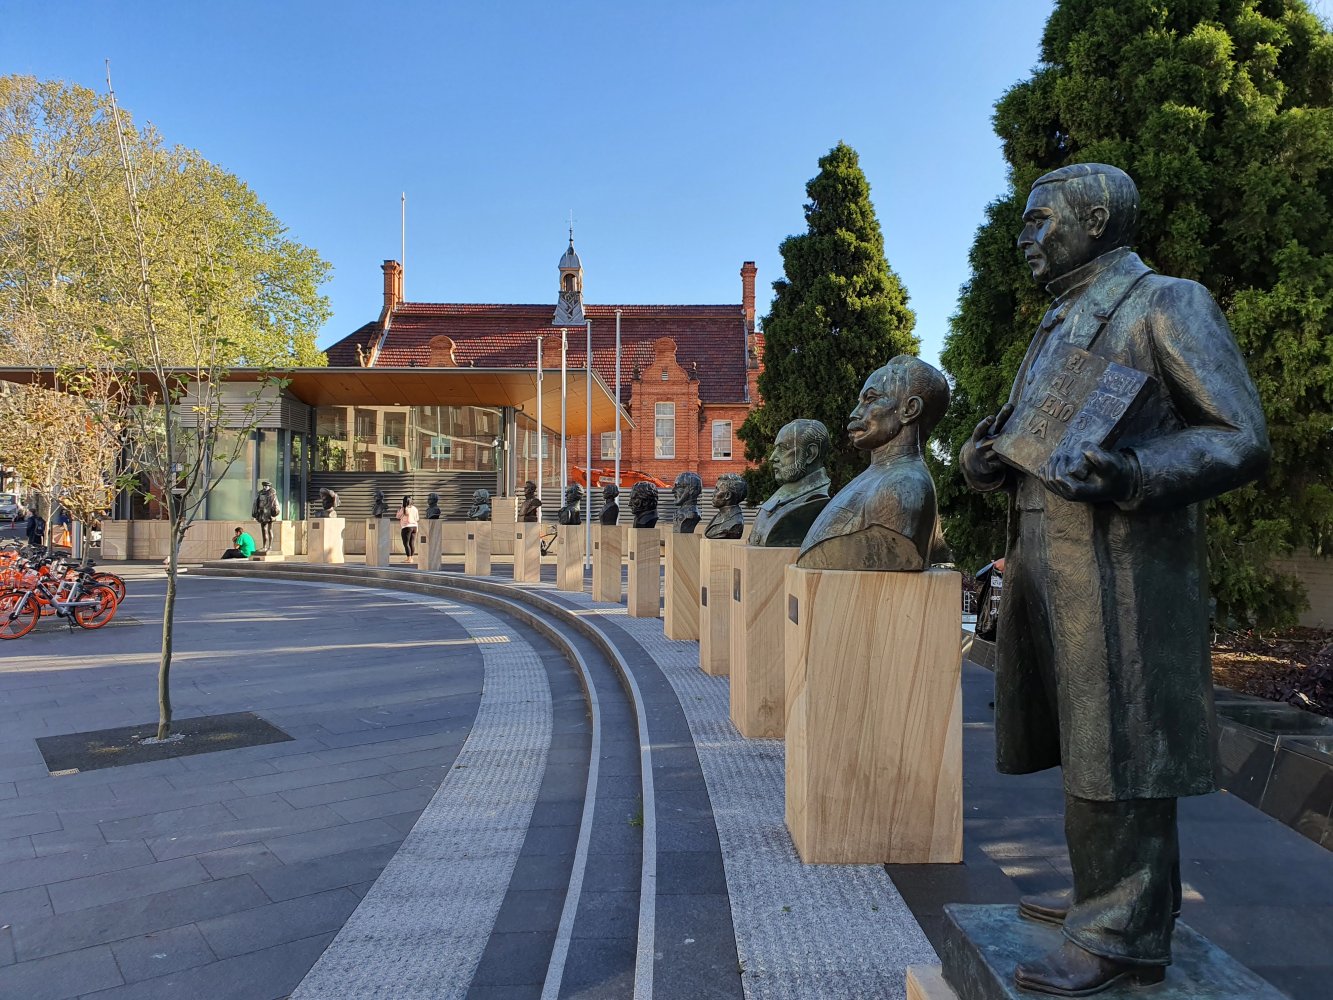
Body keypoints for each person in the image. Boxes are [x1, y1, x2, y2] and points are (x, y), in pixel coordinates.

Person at [960, 163, 1269, 996]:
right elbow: (1025, 439)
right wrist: (982, 459)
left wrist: (1130, 472)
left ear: (1095, 219)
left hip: (1118, 566)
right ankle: (1118, 907)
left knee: (1117, 748)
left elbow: (1238, 436)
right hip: (1044, 556)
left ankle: (1118, 935)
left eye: (1036, 221)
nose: (1022, 237)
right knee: (1083, 745)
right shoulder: (1059, 322)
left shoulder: (1166, 303)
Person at [798, 356, 949, 571]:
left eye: (870, 399)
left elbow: (894, 549)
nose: (855, 413)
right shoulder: (874, 478)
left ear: (910, 409)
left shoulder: (903, 485)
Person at [748, 419, 832, 547]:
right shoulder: (781, 497)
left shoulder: (815, 502)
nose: (772, 457)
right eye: (775, 449)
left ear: (810, 454)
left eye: (782, 449)